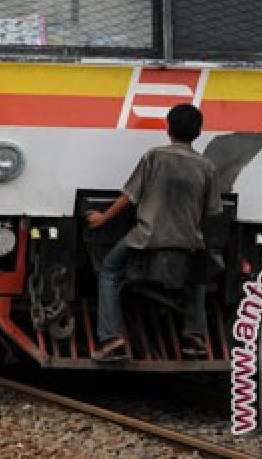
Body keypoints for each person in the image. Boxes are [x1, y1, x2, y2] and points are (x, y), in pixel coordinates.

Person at [85, 103, 220, 361]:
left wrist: (102, 218)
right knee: (198, 279)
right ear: (199, 133)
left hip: (145, 237)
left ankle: (111, 338)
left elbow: (129, 197)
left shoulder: (154, 156)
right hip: (189, 241)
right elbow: (212, 211)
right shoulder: (207, 167)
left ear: (167, 128)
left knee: (110, 271)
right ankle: (195, 335)